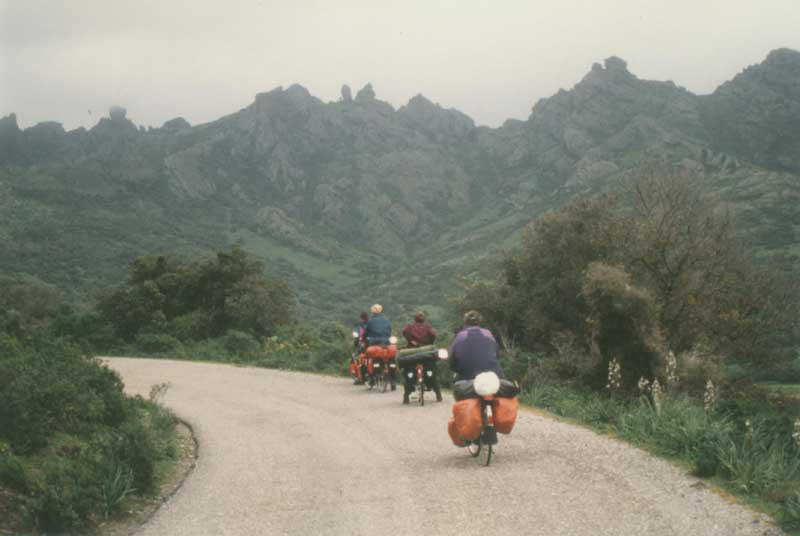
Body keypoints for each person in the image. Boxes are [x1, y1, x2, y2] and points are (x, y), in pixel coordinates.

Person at [449, 310, 504, 381]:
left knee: (458, 386)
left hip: (468, 376)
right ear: (479, 322)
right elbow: (497, 354)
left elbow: (452, 359)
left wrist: (455, 368)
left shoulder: (460, 335)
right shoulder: (488, 333)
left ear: (465, 322)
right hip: (493, 375)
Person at [401, 312, 442, 403]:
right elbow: (434, 335)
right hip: (427, 353)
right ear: (423, 319)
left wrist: (410, 340)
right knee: (433, 373)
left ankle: (406, 396)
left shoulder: (410, 327)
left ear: (414, 319)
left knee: (409, 373)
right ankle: (438, 395)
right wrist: (430, 343)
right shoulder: (428, 327)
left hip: (412, 353)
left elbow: (404, 332)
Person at [363, 304, 396, 390]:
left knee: (373, 359)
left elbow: (366, 334)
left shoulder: (370, 322)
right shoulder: (387, 321)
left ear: (372, 312)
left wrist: (365, 339)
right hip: (386, 343)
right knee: (391, 360)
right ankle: (393, 381)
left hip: (375, 343)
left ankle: (373, 379)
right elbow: (389, 332)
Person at [353, 311, 369, 384]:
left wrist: (360, 338)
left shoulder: (361, 324)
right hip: (367, 341)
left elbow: (358, 332)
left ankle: (360, 377)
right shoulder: (369, 323)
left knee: (358, 356)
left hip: (363, 342)